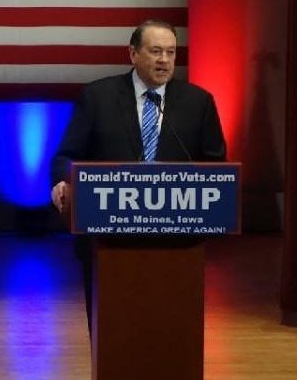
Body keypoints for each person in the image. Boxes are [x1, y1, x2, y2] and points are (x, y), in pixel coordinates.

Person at [50, 19, 227, 333]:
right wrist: (63, 182)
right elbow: (67, 154)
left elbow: (214, 166)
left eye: (171, 52)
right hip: (109, 240)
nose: (164, 60)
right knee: (115, 331)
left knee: (170, 331)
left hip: (178, 243)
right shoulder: (98, 97)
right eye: (156, 51)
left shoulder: (199, 102)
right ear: (132, 54)